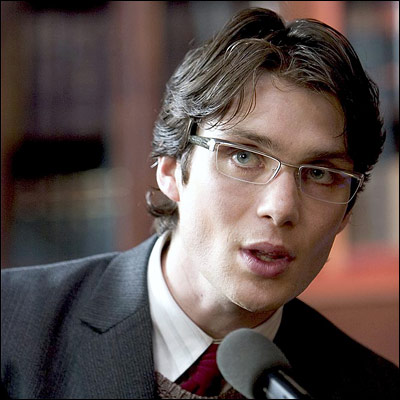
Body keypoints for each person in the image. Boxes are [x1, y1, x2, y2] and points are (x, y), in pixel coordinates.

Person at [1, 7, 399, 399]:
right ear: (171, 169)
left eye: (320, 174)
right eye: (243, 156)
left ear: (346, 213)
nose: (280, 208)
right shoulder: (11, 327)